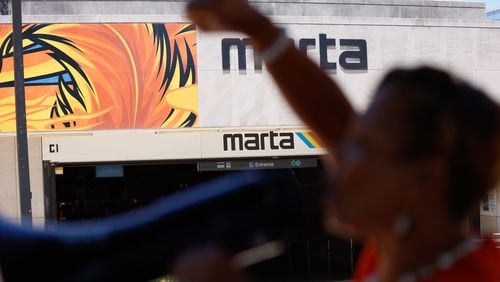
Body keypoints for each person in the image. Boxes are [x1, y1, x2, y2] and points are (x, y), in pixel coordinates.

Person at [173, 0, 500, 281]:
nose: (337, 155)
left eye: (362, 146)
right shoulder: (405, 256)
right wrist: (259, 31)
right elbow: (334, 119)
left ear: (425, 177)